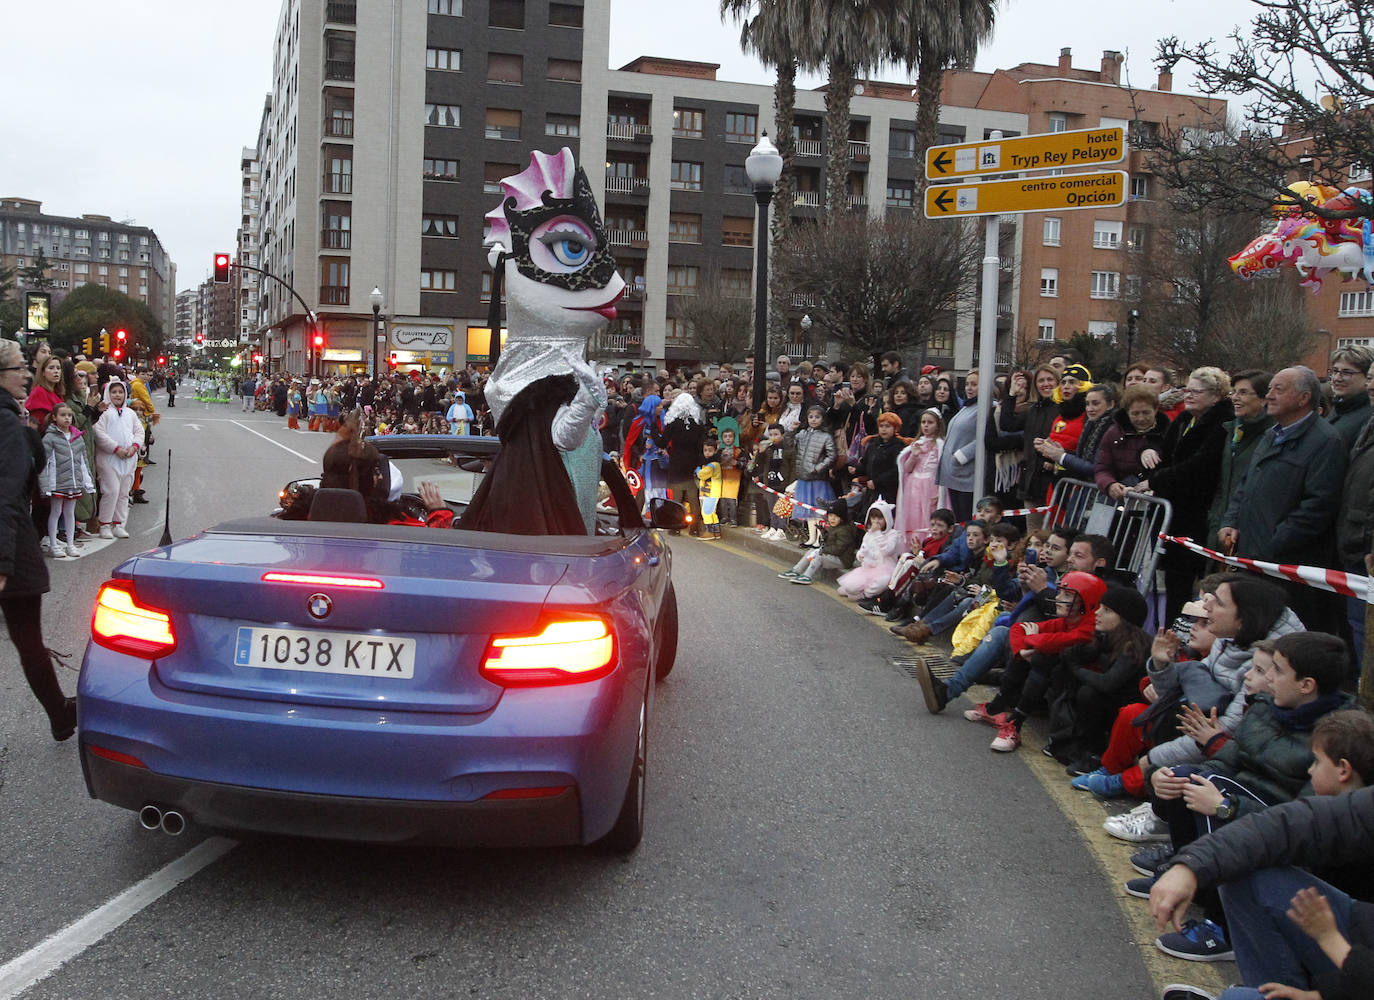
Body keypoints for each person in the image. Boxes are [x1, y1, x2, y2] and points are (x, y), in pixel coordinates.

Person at [1140, 632, 1354, 964]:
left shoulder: (1335, 737)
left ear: (1307, 685)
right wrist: (1163, 776)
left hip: (1282, 828)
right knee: (1186, 776)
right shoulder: (1266, 709)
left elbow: (1308, 818)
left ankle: (1222, 926)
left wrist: (1227, 806)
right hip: (1245, 802)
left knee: (1213, 795)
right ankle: (1185, 872)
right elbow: (1224, 762)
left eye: (1278, 671)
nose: (1267, 678)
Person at [1220, 366, 1348, 629]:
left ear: (1303, 398)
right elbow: (1246, 483)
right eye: (1269, 389)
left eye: (1279, 389)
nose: (1270, 396)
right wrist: (1231, 520)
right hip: (1253, 558)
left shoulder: (1326, 442)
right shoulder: (1272, 435)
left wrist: (1271, 543)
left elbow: (1318, 506)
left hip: (1287, 567)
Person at [0, 339, 77, 741]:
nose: (27, 374)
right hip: (9, 551)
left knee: (28, 641)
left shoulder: (17, 421)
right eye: (19, 368)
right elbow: (6, 494)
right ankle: (61, 715)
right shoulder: (8, 426)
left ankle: (61, 714)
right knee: (29, 642)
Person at [1136, 367, 1235, 623]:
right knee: (1173, 579)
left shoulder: (1220, 424)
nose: (1188, 395)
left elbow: (1200, 467)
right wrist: (1147, 452)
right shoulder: (1183, 419)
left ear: (1216, 395)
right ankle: (1170, 627)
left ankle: (1185, 631)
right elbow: (1163, 451)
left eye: (1196, 391)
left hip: (1196, 512)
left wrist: (1156, 480)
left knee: (1191, 582)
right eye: (1186, 389)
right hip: (1173, 510)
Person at [1206, 371, 1274, 547]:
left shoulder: (1272, 436)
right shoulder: (1232, 431)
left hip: (1248, 533)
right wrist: (1215, 519)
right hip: (1221, 527)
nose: (1235, 398)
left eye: (1243, 393)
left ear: (1264, 398)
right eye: (1233, 392)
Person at [38, 403, 95, 559]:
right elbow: (43, 462)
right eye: (63, 415)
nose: (67, 418)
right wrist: (45, 485)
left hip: (74, 482)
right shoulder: (50, 437)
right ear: (54, 417)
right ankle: (54, 545)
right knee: (56, 512)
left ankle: (70, 544)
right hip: (57, 482)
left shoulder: (77, 437)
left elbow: (83, 462)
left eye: (69, 415)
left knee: (70, 513)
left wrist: (87, 482)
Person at [92, 380, 144, 540]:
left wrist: (134, 447)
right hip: (109, 458)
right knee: (111, 491)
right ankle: (105, 524)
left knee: (123, 493)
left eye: (120, 392)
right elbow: (98, 433)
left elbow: (139, 431)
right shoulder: (105, 413)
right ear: (108, 393)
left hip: (129, 459)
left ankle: (119, 523)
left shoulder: (130, 413)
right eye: (114, 392)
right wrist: (116, 448)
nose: (117, 395)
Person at [777, 501, 858, 585]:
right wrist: (823, 532)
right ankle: (796, 570)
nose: (832, 519)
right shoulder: (834, 527)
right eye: (830, 516)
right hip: (834, 555)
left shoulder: (844, 530)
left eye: (836, 517)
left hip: (843, 560)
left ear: (842, 518)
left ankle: (807, 576)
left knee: (819, 557)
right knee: (811, 551)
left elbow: (839, 549)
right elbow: (830, 541)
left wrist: (822, 550)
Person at [894, 408, 943, 547]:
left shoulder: (940, 445)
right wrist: (914, 455)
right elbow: (907, 469)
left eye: (930, 422)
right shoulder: (917, 443)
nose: (926, 426)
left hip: (931, 485)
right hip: (914, 486)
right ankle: (911, 547)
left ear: (938, 425)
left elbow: (943, 469)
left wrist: (940, 491)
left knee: (928, 516)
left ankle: (928, 546)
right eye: (923, 422)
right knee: (914, 517)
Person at [836, 500, 903, 600]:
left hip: (885, 569)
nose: (876, 521)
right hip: (868, 569)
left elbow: (887, 550)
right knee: (850, 588)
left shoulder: (893, 534)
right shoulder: (869, 534)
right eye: (873, 517)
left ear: (886, 518)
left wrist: (877, 533)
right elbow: (863, 548)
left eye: (880, 518)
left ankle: (865, 595)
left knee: (882, 581)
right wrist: (860, 555)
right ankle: (854, 590)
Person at [791, 403, 836, 545]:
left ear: (823, 419)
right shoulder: (802, 433)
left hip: (818, 479)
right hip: (804, 478)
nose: (813, 419)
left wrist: (818, 468)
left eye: (817, 417)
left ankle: (820, 538)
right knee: (807, 510)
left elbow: (832, 456)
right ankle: (811, 538)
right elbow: (789, 442)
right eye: (811, 417)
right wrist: (792, 430)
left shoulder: (826, 436)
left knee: (818, 510)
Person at [749, 422, 795, 541]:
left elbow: (792, 467)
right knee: (771, 506)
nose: (773, 437)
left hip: (783, 483)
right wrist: (761, 452)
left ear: (783, 435)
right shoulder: (768, 449)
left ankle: (782, 529)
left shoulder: (788, 449)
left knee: (782, 508)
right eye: (770, 434)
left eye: (776, 434)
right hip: (770, 482)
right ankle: (773, 527)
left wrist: (791, 483)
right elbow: (759, 464)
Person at [1326, 345, 1374, 449]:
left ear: (1368, 377)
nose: (1337, 378)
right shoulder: (1339, 407)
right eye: (1335, 371)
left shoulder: (1369, 417)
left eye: (1347, 373)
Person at [695, 439, 723, 541]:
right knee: (712, 513)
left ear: (715, 451)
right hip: (707, 492)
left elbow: (701, 474)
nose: (707, 453)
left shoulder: (713, 464)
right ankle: (716, 532)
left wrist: (697, 469)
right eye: (705, 450)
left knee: (706, 512)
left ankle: (709, 532)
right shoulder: (709, 463)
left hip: (711, 492)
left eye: (710, 450)